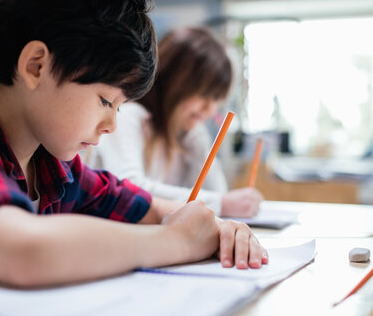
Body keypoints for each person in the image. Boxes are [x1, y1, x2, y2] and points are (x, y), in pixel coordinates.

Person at [0, 0, 267, 287]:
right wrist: (176, 241)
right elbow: (24, 252)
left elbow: (153, 208)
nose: (111, 125)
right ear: (36, 66)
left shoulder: (59, 172)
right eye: (105, 101)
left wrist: (217, 228)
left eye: (119, 107)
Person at [87, 27, 264, 218]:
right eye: (204, 95)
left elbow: (216, 192)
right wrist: (220, 204)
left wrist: (198, 144)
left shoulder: (185, 134)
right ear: (174, 82)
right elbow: (129, 189)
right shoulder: (129, 116)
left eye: (217, 99)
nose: (210, 110)